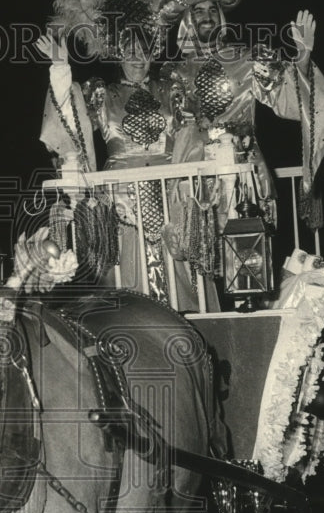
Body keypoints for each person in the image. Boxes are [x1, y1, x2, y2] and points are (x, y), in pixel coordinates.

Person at [37, 26, 213, 310]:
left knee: (182, 282)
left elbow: (194, 138)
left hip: (170, 198)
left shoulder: (172, 91)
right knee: (126, 283)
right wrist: (60, 67)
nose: (137, 58)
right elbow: (72, 125)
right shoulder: (102, 95)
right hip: (121, 202)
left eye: (144, 51)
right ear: (118, 56)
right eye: (130, 51)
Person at [157, 0, 324, 231]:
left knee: (250, 252)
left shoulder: (248, 59)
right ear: (189, 20)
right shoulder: (175, 73)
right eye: (199, 11)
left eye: (213, 10)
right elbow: (169, 134)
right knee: (203, 253)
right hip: (197, 177)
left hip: (245, 171)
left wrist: (302, 56)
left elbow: (289, 96)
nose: (207, 17)